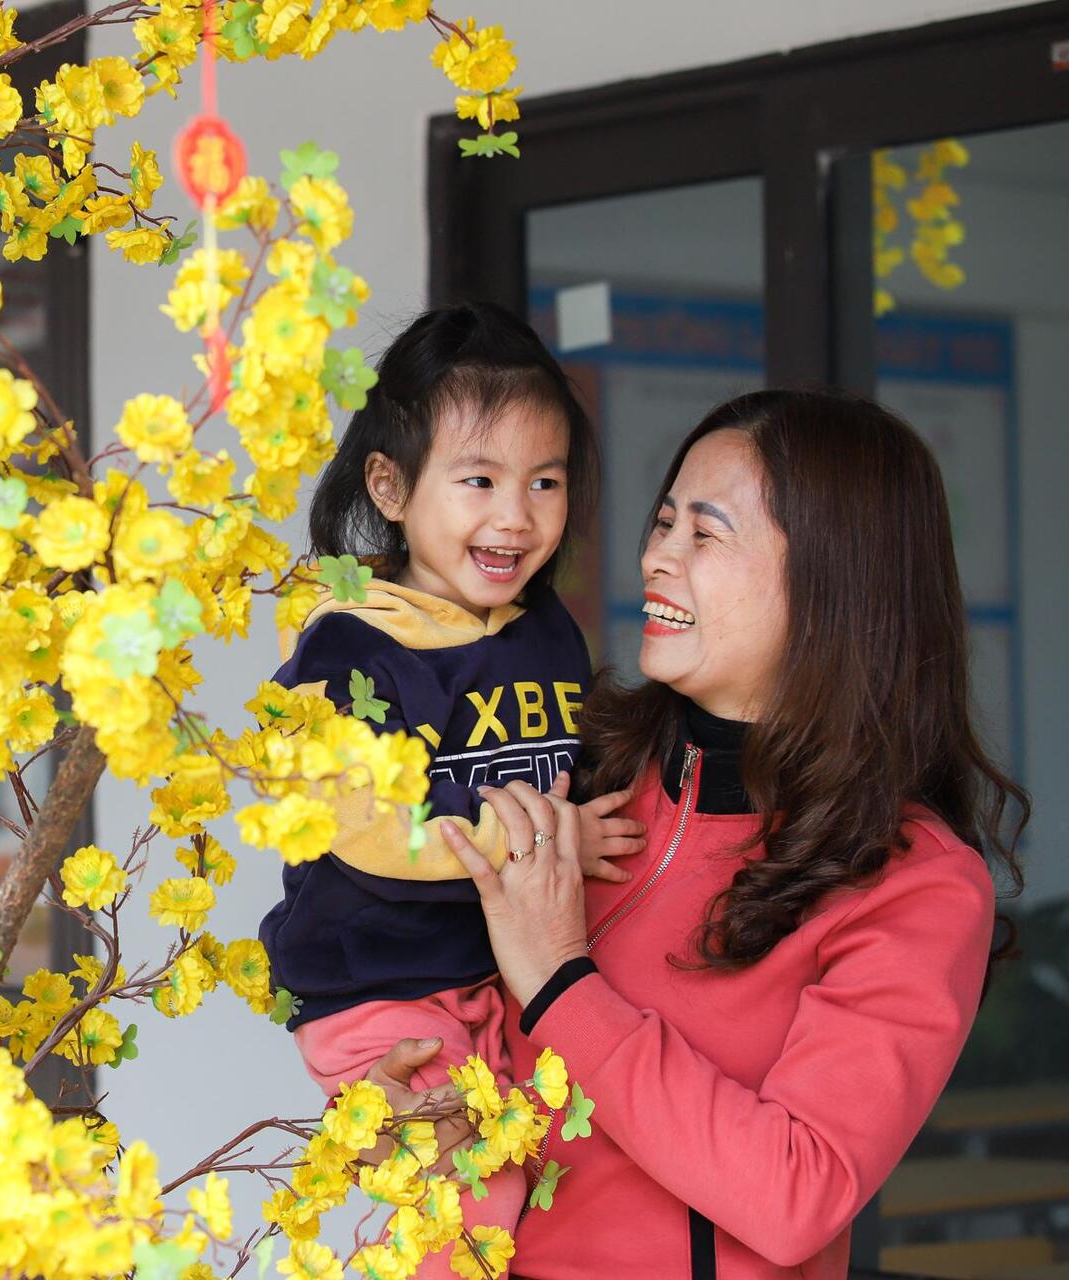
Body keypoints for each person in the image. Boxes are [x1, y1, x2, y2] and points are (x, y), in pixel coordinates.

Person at [365, 388, 1028, 1279]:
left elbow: (799, 1195)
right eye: (663, 522)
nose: (655, 558)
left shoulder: (910, 881)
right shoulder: (581, 770)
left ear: (835, 581)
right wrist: (413, 1122)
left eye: (703, 535)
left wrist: (562, 983)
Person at [258, 303, 646, 1266]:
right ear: (390, 486)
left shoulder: (542, 628)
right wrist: (545, 840)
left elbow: (567, 752)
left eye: (545, 482)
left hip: (490, 974)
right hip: (378, 983)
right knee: (466, 1207)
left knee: (546, 1183)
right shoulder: (350, 653)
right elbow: (371, 832)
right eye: (478, 480)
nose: (515, 517)